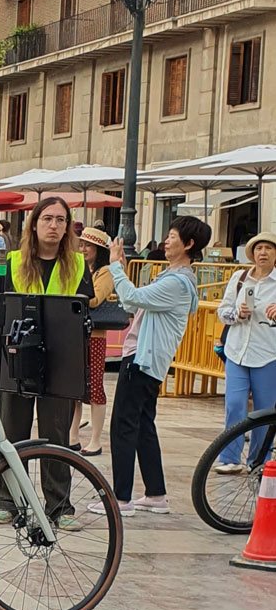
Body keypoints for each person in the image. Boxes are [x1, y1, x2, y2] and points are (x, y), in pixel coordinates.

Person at [95, 215, 212, 516]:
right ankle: (156, 493)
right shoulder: (170, 277)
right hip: (148, 361)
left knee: (123, 426)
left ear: (189, 244)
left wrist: (116, 266)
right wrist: (121, 269)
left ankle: (121, 499)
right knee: (144, 426)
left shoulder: (176, 282)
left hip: (142, 360)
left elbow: (131, 297)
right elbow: (134, 304)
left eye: (173, 235)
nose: (166, 240)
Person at [0, 196, 93, 523]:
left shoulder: (80, 265)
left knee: (56, 436)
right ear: (34, 225)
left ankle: (58, 506)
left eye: (61, 220)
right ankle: (7, 501)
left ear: (68, 228)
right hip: (18, 359)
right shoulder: (10, 262)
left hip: (61, 362)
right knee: (13, 432)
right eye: (47, 219)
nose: (54, 226)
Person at [213, 230, 276, 474]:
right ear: (252, 253)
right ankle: (229, 458)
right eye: (259, 248)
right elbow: (223, 312)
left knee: (263, 411)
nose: (263, 253)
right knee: (235, 404)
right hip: (237, 351)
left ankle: (258, 461)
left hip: (268, 354)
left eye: (269, 248)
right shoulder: (240, 278)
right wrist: (237, 313)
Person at [70, 226, 120, 457]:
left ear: (98, 249)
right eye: (81, 245)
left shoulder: (105, 272)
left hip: (95, 336)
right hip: (76, 333)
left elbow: (94, 299)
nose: (83, 249)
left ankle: (96, 439)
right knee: (74, 387)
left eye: (87, 246)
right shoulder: (82, 268)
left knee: (95, 388)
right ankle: (72, 436)